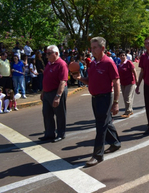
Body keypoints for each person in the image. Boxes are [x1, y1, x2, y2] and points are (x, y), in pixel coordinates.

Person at [73, 37, 121, 167]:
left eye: (94, 47)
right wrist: (80, 78)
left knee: (101, 126)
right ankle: (116, 143)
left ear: (102, 48)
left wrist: (116, 102)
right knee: (105, 122)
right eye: (91, 47)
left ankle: (97, 155)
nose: (92, 50)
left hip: (105, 98)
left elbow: (116, 82)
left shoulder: (108, 63)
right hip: (94, 98)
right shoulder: (93, 64)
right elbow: (90, 81)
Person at [39, 45, 68, 143]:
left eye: (49, 53)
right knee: (47, 113)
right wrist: (43, 91)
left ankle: (61, 133)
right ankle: (49, 133)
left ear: (56, 53)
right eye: (46, 53)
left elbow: (62, 81)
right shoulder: (49, 63)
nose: (47, 55)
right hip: (47, 92)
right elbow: (46, 78)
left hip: (56, 91)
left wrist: (58, 96)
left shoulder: (61, 64)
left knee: (59, 113)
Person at [117, 51, 138, 118]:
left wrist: (137, 80)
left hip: (130, 82)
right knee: (125, 97)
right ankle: (130, 110)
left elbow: (134, 71)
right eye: (121, 55)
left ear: (126, 56)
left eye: (123, 55)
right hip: (123, 83)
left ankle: (127, 111)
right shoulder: (120, 64)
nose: (122, 56)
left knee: (127, 97)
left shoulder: (128, 62)